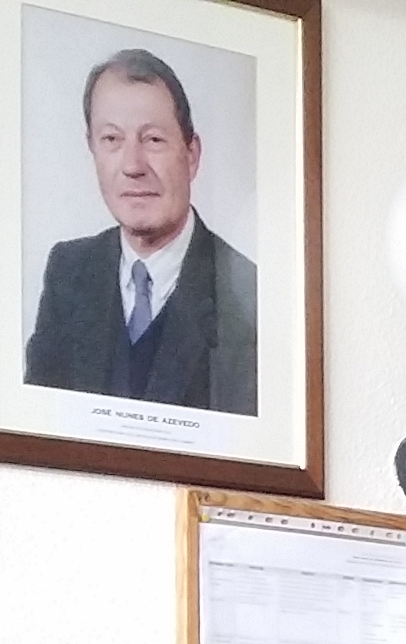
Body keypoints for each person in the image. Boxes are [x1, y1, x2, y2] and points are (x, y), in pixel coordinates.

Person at [21, 47, 259, 413]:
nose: (133, 166)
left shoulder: (248, 293)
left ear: (191, 155)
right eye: (112, 140)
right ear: (92, 149)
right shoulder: (68, 271)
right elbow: (38, 421)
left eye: (153, 140)